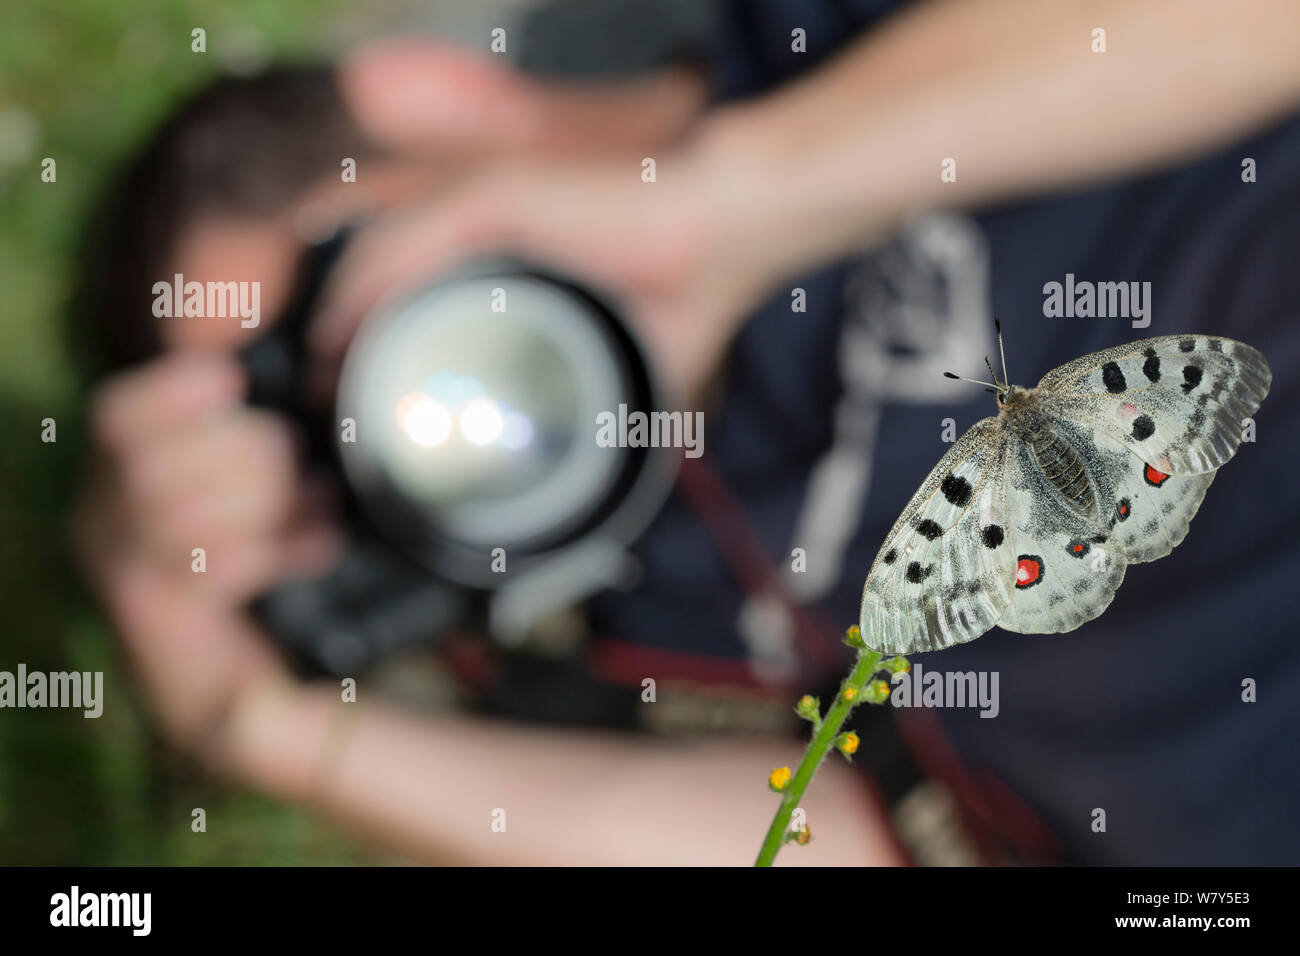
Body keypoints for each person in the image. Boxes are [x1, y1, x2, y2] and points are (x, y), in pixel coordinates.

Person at [73, 0, 1300, 865]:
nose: (413, 411)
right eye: (332, 437)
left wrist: (736, 197)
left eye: (356, 321)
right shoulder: (601, 635)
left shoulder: (842, 45)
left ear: (430, 95)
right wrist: (264, 723)